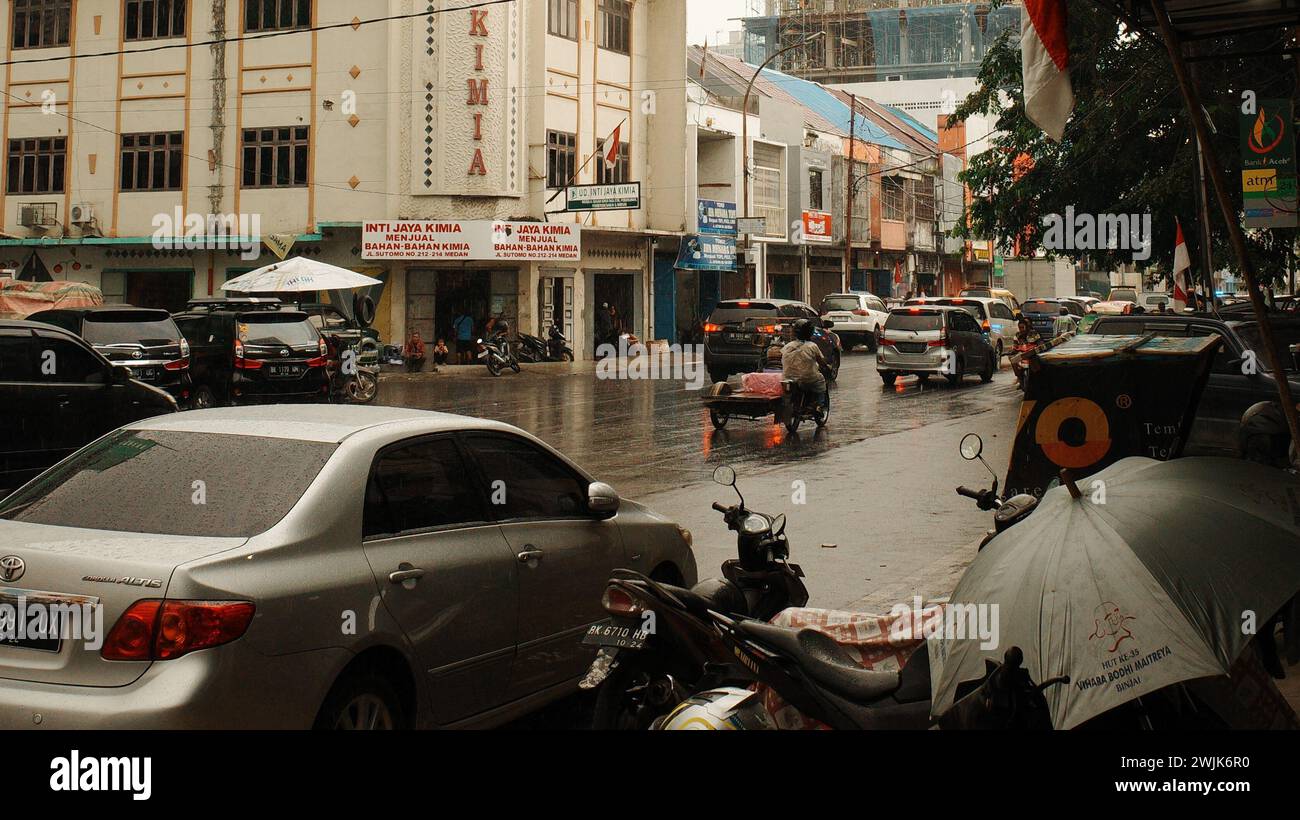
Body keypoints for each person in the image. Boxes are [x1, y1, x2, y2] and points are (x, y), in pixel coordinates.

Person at [781, 319, 830, 412]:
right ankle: (819, 406)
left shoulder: (787, 346)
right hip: (808, 378)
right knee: (821, 381)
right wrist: (827, 366)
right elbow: (821, 362)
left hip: (788, 377)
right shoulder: (812, 346)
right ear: (810, 332)